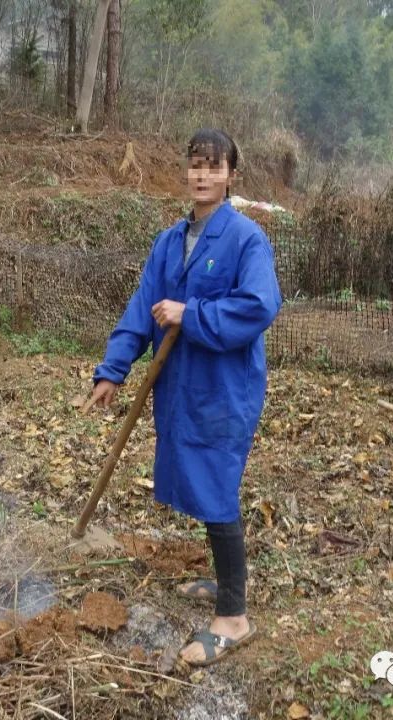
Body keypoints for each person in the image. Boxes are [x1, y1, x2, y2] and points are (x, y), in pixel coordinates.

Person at [83, 128, 282, 666]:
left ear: (230, 176)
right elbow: (142, 305)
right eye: (196, 165)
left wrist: (190, 314)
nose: (203, 175)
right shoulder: (170, 241)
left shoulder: (245, 239)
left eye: (214, 167)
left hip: (222, 387)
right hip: (180, 384)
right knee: (198, 476)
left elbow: (260, 306)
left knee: (216, 484)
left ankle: (234, 618)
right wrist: (113, 370)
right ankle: (225, 585)